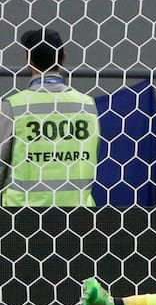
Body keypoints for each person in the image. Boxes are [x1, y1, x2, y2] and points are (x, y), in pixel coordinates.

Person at [0, 27, 100, 207]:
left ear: (28, 60)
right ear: (63, 58)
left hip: (21, 214)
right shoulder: (87, 105)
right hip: (78, 212)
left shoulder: (14, 106)